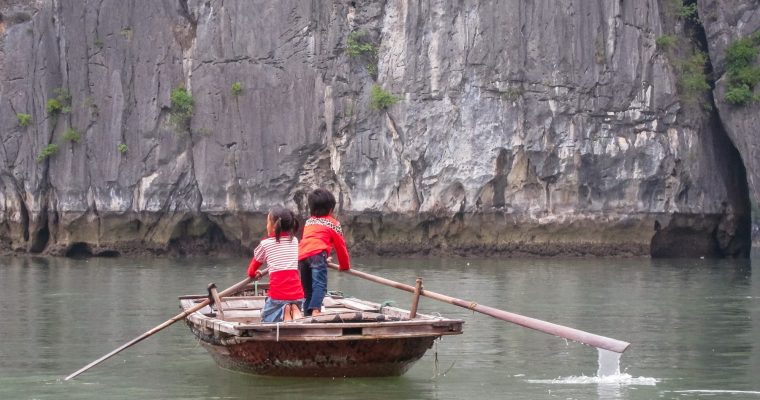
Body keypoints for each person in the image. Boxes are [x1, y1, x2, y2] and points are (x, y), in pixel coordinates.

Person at [298, 188, 350, 317]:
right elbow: (340, 247)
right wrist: (344, 266)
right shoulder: (333, 224)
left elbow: (311, 243)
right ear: (331, 209)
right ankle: (315, 311)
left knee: (308, 290)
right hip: (317, 256)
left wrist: (323, 258)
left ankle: (307, 314)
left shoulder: (309, 222)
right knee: (319, 285)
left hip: (303, 256)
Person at [248, 206, 304, 322]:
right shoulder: (294, 241)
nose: (266, 225)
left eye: (267, 221)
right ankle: (293, 308)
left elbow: (251, 271)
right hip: (298, 294)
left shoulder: (265, 244)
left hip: (278, 295)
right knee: (291, 302)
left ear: (273, 226)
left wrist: (255, 274)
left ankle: (284, 310)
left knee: (265, 318)